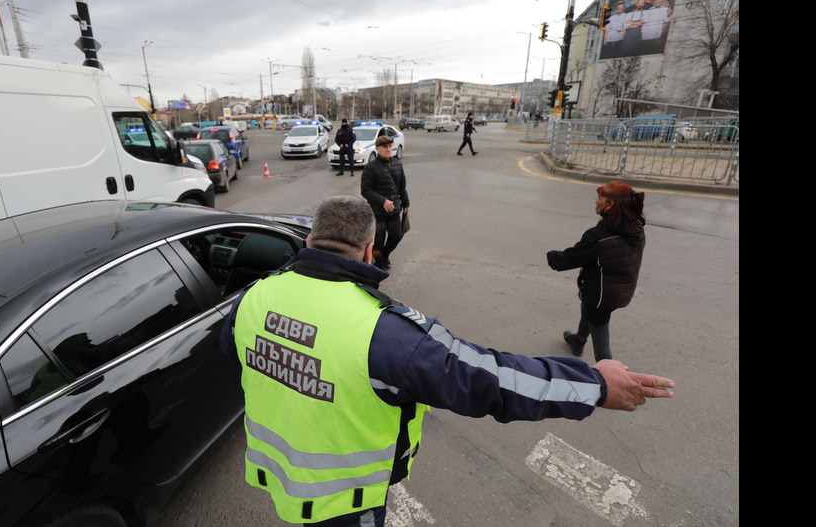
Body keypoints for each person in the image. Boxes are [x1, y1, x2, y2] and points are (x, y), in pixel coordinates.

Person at [219, 195, 674, 527]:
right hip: (345, 501)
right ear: (367, 249)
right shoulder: (383, 332)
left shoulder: (254, 297)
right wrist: (593, 383)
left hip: (278, 475)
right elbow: (490, 381)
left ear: (312, 239)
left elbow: (233, 351)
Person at [546, 181, 646, 361]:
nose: (596, 201)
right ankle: (578, 341)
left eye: (600, 198)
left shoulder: (598, 237)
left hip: (601, 297)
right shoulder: (636, 229)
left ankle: (609, 381)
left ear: (610, 205)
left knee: (603, 351)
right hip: (621, 291)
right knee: (587, 308)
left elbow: (566, 260)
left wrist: (551, 256)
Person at [360, 135, 407, 270]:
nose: (388, 149)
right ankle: (379, 262)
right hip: (377, 212)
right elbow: (366, 190)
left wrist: (406, 203)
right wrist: (382, 201)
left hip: (394, 210)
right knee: (378, 241)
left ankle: (385, 255)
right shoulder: (370, 168)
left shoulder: (397, 164)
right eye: (384, 147)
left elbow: (402, 187)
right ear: (377, 149)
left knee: (397, 236)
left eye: (390, 146)